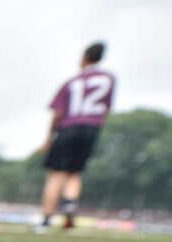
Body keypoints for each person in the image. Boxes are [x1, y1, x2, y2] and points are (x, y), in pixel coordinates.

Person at [36, 41, 116, 231]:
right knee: (75, 173)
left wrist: (49, 138)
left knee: (57, 174)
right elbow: (106, 109)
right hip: (91, 128)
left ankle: (47, 219)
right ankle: (70, 203)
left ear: (85, 56)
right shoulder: (108, 79)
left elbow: (57, 113)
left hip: (68, 127)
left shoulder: (72, 82)